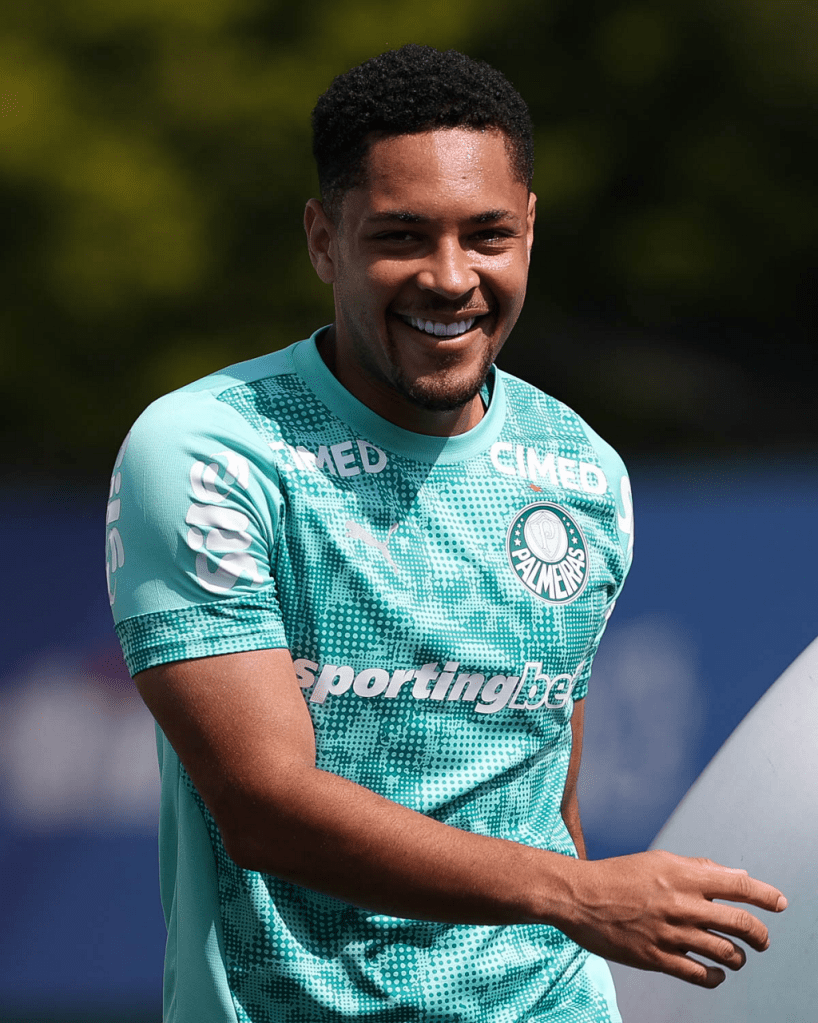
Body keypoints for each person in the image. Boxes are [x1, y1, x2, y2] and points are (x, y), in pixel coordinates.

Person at [106, 44, 786, 1023]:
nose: (450, 277)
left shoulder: (583, 469)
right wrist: (574, 893)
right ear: (323, 240)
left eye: (488, 235)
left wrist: (574, 895)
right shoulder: (213, 450)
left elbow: (543, 796)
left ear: (529, 230)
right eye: (401, 237)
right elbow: (264, 808)